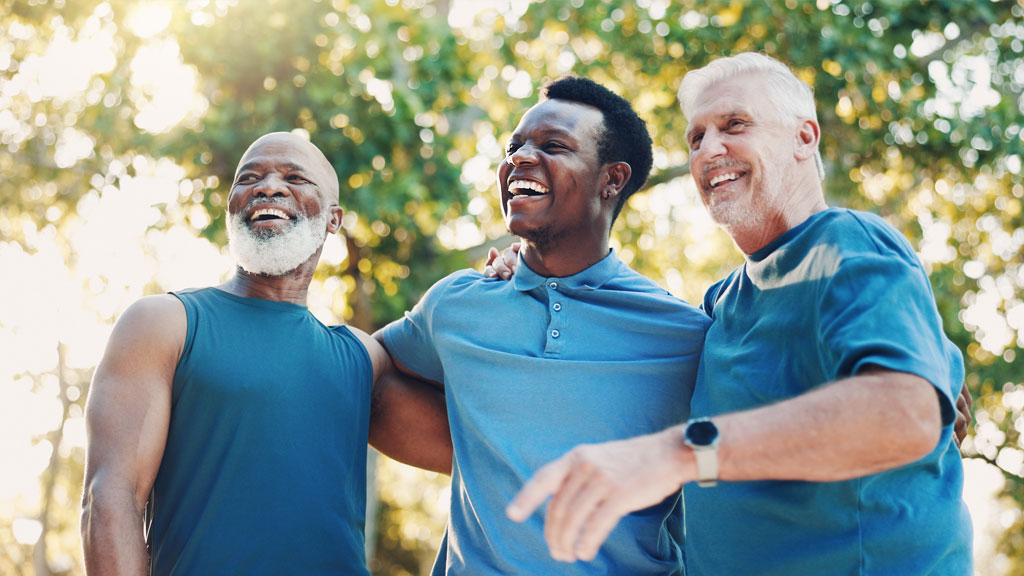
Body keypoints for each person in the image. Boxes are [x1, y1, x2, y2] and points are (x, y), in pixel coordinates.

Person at [504, 53, 973, 574]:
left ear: (804, 138)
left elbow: (905, 414)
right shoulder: (720, 304)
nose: (710, 149)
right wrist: (523, 267)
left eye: (735, 125)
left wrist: (682, 453)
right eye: (696, 138)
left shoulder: (846, 244)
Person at [376, 77, 710, 575]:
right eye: (515, 147)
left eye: (553, 146)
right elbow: (364, 378)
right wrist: (484, 458)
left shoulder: (684, 335)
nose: (520, 159)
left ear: (612, 180)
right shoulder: (454, 305)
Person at [80, 132, 450, 576]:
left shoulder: (361, 358)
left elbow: (485, 452)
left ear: (334, 219)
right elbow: (109, 499)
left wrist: (510, 280)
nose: (268, 186)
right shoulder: (163, 323)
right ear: (232, 206)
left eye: (295, 177)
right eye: (249, 177)